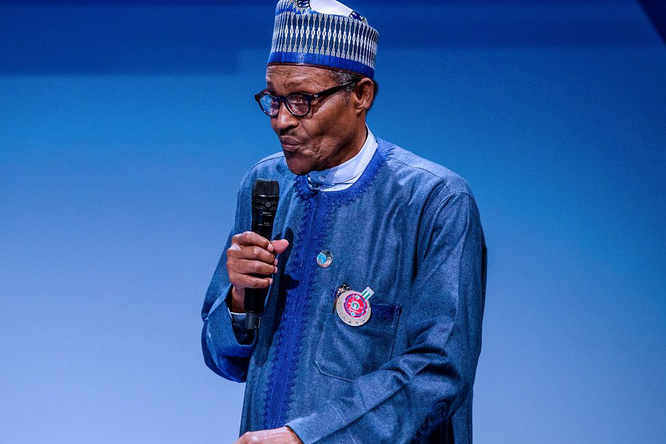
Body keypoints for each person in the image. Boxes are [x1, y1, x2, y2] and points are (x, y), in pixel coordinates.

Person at [201, 1, 487, 442]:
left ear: (361, 95)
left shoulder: (434, 201)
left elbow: (438, 371)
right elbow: (222, 356)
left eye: (301, 100)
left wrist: (306, 437)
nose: (281, 120)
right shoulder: (263, 184)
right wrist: (239, 298)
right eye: (273, 100)